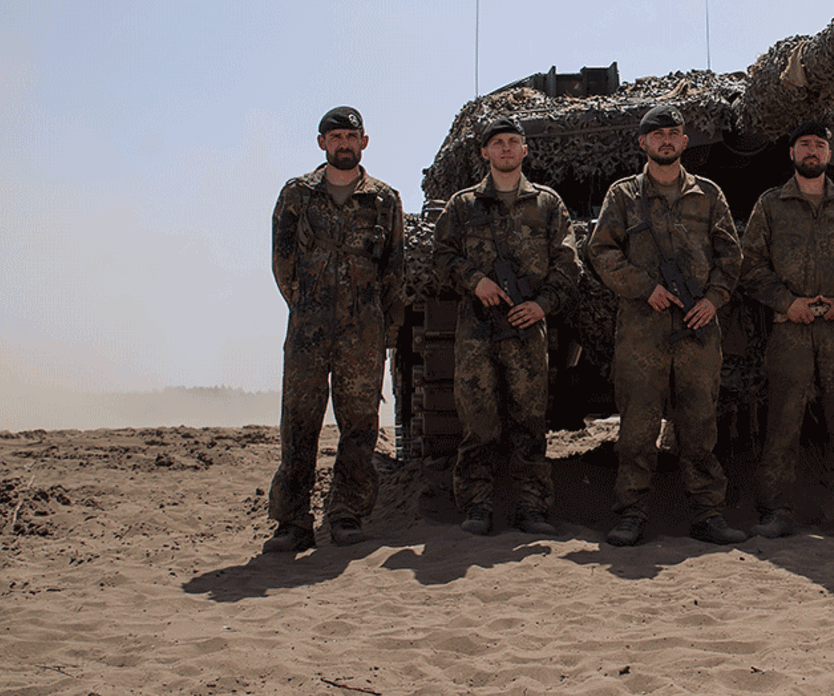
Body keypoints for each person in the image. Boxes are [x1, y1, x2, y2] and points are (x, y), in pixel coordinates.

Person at [586, 106, 744, 547]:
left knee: (699, 425)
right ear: (643, 143)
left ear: (685, 142)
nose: (667, 141)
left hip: (698, 327)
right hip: (643, 327)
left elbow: (730, 256)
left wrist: (713, 300)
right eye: (658, 135)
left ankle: (708, 513)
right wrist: (643, 287)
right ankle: (630, 513)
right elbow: (601, 251)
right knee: (637, 426)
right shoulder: (623, 196)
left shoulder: (708, 195)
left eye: (675, 134)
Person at [739, 120, 834, 537]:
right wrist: (788, 303)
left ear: (828, 155)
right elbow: (749, 266)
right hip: (790, 326)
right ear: (791, 153)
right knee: (783, 424)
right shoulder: (770, 205)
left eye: (819, 145)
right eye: (803, 144)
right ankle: (776, 511)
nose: (811, 151)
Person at [265, 106, 405, 553]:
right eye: (336, 136)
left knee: (360, 424)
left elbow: (394, 271)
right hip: (308, 328)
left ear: (364, 142)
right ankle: (292, 520)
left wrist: (377, 323)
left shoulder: (384, 199)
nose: (344, 143)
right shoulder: (297, 195)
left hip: (362, 330)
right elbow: (282, 261)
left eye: (351, 136)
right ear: (322, 143)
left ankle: (346, 513)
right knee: (299, 422)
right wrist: (306, 305)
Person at [432, 116, 580, 537]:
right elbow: (440, 257)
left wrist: (540, 305)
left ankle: (531, 507)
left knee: (530, 423)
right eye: (498, 143)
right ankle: (477, 506)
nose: (506, 149)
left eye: (514, 142)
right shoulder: (462, 206)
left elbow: (569, 266)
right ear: (484, 152)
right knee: (478, 424)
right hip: (477, 331)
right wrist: (474, 280)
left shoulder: (548, 204)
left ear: (525, 150)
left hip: (526, 330)